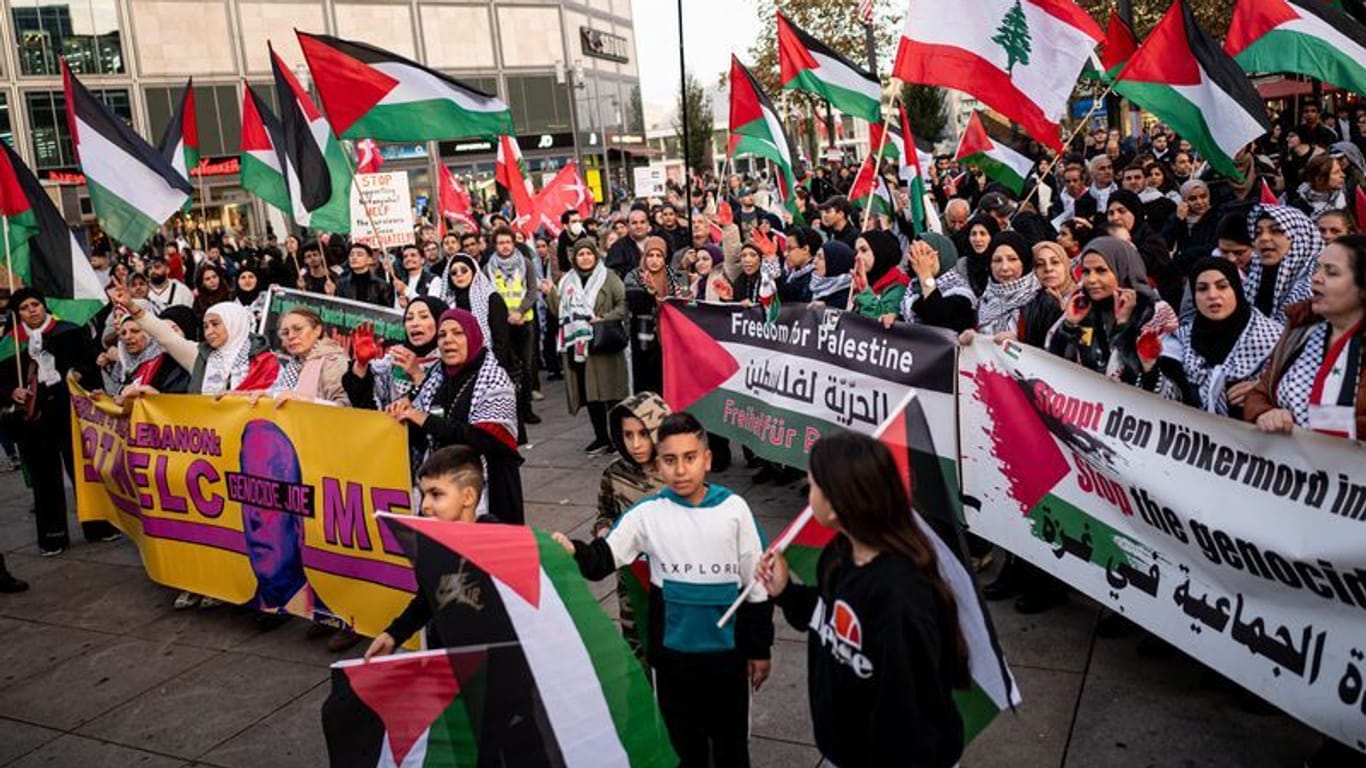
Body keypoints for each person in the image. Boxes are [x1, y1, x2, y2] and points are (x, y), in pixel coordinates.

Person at [553, 413, 773, 768]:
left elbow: (756, 586)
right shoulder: (647, 514)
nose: (681, 470)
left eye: (690, 458)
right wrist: (573, 550)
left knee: (731, 749)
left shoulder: (735, 511)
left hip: (728, 660)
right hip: (673, 661)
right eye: (670, 460)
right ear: (659, 464)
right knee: (683, 749)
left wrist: (760, 647)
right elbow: (603, 559)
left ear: (708, 458)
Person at [756, 432, 968, 768]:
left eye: (812, 486)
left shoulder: (901, 596)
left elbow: (907, 714)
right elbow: (827, 618)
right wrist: (786, 592)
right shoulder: (839, 555)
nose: (807, 497)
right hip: (846, 752)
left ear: (838, 503)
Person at [2, 288, 122, 556]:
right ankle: (52, 535)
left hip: (69, 411)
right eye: (24, 307)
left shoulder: (68, 330)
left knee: (82, 470)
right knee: (45, 478)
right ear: (17, 313)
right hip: (33, 420)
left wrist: (79, 373)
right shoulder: (11, 342)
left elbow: (91, 362)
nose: (32, 310)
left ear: (44, 306)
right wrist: (12, 391)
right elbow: (2, 380)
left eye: (35, 304)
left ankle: (98, 525)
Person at [389, 308, 524, 523]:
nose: (448, 341)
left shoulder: (494, 379)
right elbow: (421, 426)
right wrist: (403, 413)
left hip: (489, 490)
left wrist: (425, 420)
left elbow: (486, 439)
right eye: (442, 335)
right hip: (443, 491)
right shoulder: (437, 376)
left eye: (457, 333)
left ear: (472, 336)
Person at [363, 445, 494, 660]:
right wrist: (394, 634)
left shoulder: (494, 535)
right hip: (444, 656)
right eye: (424, 494)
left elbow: (538, 558)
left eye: (436, 494)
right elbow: (428, 598)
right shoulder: (433, 544)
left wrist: (566, 547)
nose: (425, 505)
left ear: (468, 497)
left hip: (489, 661)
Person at [1246, 234, 1366, 439]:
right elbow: (1259, 393)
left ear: (1362, 288)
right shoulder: (1300, 331)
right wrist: (1265, 413)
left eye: (1332, 272)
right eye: (1318, 268)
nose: (1317, 278)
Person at [1047, 237, 1182, 398]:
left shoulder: (1154, 313)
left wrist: (1124, 326)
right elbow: (1054, 367)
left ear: (1123, 269)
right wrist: (1068, 326)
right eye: (1086, 271)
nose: (1091, 280)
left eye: (1101, 271)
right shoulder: (1081, 307)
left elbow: (1171, 391)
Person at [595, 392, 671, 664]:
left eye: (643, 433)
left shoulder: (675, 475)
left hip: (672, 581)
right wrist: (603, 531)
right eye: (628, 435)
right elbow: (604, 513)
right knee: (636, 647)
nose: (636, 444)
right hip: (631, 582)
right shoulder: (614, 474)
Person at [544, 239, 629, 454]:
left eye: (589, 253)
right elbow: (559, 311)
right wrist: (550, 294)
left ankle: (618, 439)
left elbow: (623, 304)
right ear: (575, 258)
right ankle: (601, 436)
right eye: (580, 254)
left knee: (611, 395)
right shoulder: (566, 281)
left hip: (604, 343)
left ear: (595, 255)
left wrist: (604, 318)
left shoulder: (608, 277)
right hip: (579, 346)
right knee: (590, 394)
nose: (585, 258)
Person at [1175, 258, 1282, 418]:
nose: (1212, 295)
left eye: (1222, 286)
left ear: (1237, 290)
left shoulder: (1274, 339)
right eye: (1202, 289)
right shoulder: (1179, 340)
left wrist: (1264, 391)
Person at [344, 296, 448, 411]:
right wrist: (361, 365)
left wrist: (417, 374)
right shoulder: (395, 358)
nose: (415, 323)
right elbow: (364, 403)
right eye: (409, 318)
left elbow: (441, 413)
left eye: (424, 317)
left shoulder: (449, 364)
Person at [485, 227, 541, 425]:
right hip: (502, 325)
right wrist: (504, 315)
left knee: (526, 367)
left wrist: (519, 311)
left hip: (524, 322)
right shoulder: (488, 268)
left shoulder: (525, 264)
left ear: (513, 243)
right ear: (495, 245)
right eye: (500, 243)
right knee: (506, 368)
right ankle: (511, 411)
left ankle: (526, 409)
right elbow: (488, 296)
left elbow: (532, 291)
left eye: (508, 242)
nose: (505, 246)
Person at [624, 236, 686, 395]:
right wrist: (650, 294)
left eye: (659, 256)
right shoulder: (634, 276)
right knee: (647, 384)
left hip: (670, 337)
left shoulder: (672, 276)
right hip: (644, 338)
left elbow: (682, 303)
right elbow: (634, 303)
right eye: (650, 255)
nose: (654, 260)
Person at [1246, 205, 1321, 325]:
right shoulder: (1251, 281)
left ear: (1299, 237)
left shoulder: (1314, 287)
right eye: (1258, 232)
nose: (1263, 238)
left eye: (1276, 231)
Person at [1106, 189, 1180, 308]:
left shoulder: (1153, 243)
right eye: (1111, 213)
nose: (1115, 217)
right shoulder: (1107, 243)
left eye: (1121, 211)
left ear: (1135, 212)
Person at [267, 307, 350, 406]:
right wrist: (268, 397)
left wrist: (306, 401)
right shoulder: (293, 364)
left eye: (298, 329)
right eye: (285, 333)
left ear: (317, 330)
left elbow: (346, 408)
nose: (291, 336)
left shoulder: (333, 362)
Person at [971, 231, 1043, 338]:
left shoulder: (1040, 302)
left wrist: (1019, 342)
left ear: (1024, 262)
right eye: (997, 260)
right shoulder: (983, 299)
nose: (1004, 267)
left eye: (1012, 259)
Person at [901, 233, 977, 332]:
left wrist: (926, 277)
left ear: (942, 255)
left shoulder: (960, 293)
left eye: (926, 253)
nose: (920, 260)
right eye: (915, 253)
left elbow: (938, 318)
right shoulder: (913, 288)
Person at [852, 230, 910, 320]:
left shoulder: (898, 286)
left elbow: (883, 323)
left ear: (879, 251)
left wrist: (865, 293)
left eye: (864, 250)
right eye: (856, 252)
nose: (857, 257)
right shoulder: (860, 282)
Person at [1287, 154, 1349, 220]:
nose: (1343, 175)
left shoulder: (1341, 201)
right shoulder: (1293, 198)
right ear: (1319, 179)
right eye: (1336, 172)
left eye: (1341, 171)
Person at [951, 215, 1000, 297]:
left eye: (983, 234)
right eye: (973, 234)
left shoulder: (1001, 263)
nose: (977, 239)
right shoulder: (962, 264)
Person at [334, 243, 395, 307]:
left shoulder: (382, 286)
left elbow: (387, 312)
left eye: (359, 255)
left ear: (369, 260)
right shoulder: (342, 284)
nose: (354, 258)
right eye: (351, 255)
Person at [809, 240, 855, 309]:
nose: (814, 261)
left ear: (835, 263)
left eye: (820, 258)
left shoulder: (848, 296)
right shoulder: (812, 284)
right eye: (816, 256)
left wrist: (827, 305)